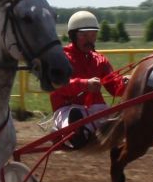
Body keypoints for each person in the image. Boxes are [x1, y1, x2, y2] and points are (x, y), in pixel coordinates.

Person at [50, 10, 128, 147]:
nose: (89, 40)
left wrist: (127, 83)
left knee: (121, 118)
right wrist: (85, 84)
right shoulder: (61, 58)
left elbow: (115, 88)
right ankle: (75, 133)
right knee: (73, 117)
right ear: (73, 36)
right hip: (67, 110)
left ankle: (85, 131)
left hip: (97, 112)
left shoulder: (100, 60)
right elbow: (58, 85)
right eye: (83, 35)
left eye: (93, 35)